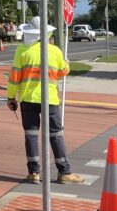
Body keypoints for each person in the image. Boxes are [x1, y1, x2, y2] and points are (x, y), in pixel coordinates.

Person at [7, 17, 85, 184]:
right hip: (50, 99)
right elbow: (62, 72)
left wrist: (11, 97)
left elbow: (14, 78)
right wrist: (67, 64)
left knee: (31, 136)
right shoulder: (55, 51)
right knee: (56, 135)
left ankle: (34, 172)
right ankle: (64, 172)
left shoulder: (22, 50)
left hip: (28, 99)